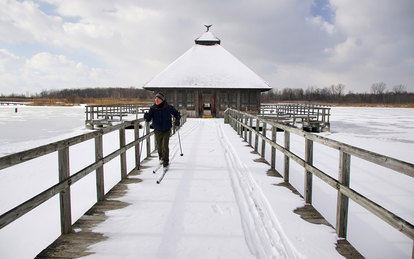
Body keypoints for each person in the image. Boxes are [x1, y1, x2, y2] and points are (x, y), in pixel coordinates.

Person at [144, 92, 181, 169]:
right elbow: (149, 118)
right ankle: (161, 157)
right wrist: (146, 117)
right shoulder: (153, 108)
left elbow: (176, 113)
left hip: (166, 129)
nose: (156, 100)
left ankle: (165, 162)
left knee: (165, 146)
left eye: (158, 99)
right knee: (159, 146)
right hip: (157, 129)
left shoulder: (168, 107)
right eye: (155, 98)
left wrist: (177, 119)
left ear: (162, 100)